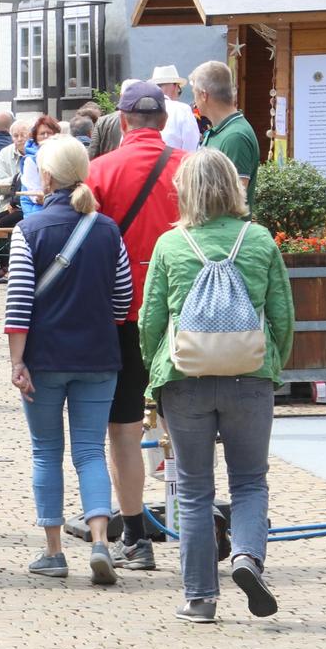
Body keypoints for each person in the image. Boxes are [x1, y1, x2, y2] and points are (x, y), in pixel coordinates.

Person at [138, 149, 293, 624]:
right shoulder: (261, 240)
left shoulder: (172, 245)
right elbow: (283, 315)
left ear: (185, 189)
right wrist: (271, 365)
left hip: (186, 380)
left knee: (193, 487)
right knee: (249, 479)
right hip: (250, 377)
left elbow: (151, 321)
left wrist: (156, 373)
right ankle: (246, 556)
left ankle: (200, 598)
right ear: (234, 186)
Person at [2, 136, 133, 584]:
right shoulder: (108, 229)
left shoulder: (29, 230)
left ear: (47, 177)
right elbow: (123, 300)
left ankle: (54, 550)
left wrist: (17, 360)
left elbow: (19, 302)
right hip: (99, 357)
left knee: (46, 452)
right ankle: (99, 541)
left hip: (45, 358)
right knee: (91, 451)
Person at [88, 80, 183, 570]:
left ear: (122, 121)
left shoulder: (99, 170)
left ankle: (137, 537)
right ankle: (194, 531)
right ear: (164, 121)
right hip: (183, 316)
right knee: (188, 425)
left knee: (123, 430)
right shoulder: (191, 169)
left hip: (120, 316)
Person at [191, 59, 260, 195]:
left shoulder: (235, 137)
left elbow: (234, 198)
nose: (194, 102)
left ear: (204, 95)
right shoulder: (222, 131)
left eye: (195, 94)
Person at [149, 64, 203, 154]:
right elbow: (192, 151)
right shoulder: (182, 110)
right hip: (176, 166)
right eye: (179, 89)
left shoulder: (141, 110)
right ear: (175, 87)